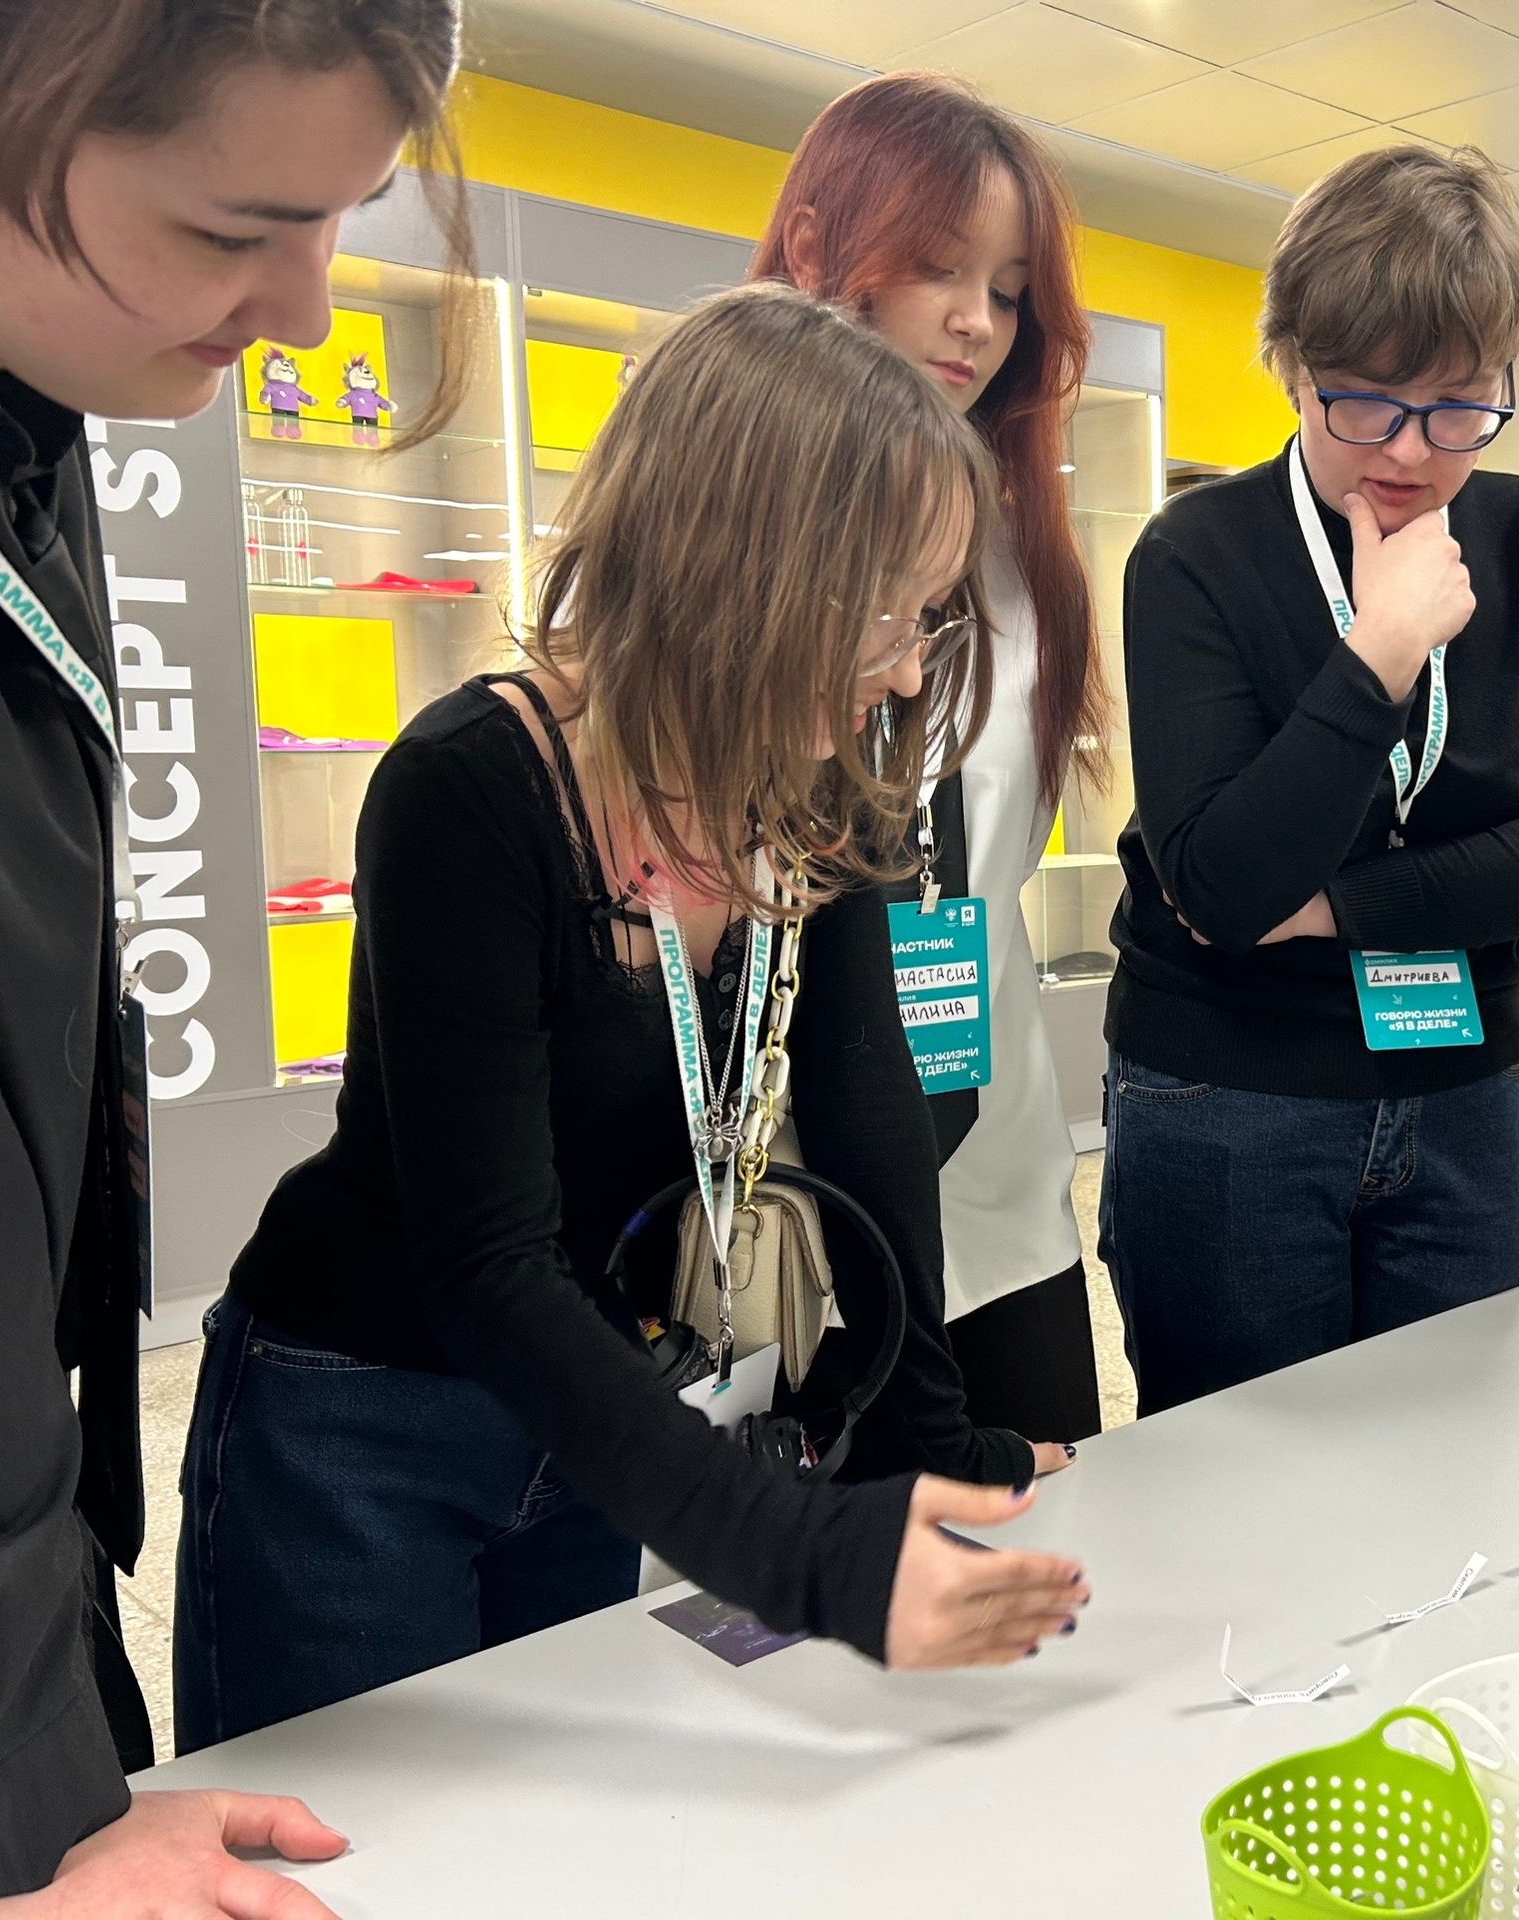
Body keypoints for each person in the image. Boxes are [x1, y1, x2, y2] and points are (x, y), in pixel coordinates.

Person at [172, 284, 1090, 1757]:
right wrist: (803, 1552)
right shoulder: (470, 789)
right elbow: (488, 1264)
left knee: (564, 1825)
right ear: (742, 572)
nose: (909, 669)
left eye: (925, 618)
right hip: (367, 1421)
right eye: (881, 615)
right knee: (355, 1839)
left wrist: (923, 1447)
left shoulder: (813, 787)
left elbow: (869, 1126)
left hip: (604, 1413)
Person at [0, 0, 471, 1909]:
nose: (307, 313)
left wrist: (41, 1773)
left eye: (338, 223)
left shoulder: (22, 416)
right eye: (236, 230)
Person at [1103, 146, 1519, 1415]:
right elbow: (1224, 888)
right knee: (1241, 1467)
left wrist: (1337, 908)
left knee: (1447, 1456)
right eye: (1365, 403)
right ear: (1293, 364)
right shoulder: (1194, 554)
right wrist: (1380, 652)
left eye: (1458, 407)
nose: (1408, 451)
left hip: (1458, 1086)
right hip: (1229, 1086)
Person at [753, 73, 1106, 1444]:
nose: (977, 322)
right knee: (815, 1553)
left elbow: (999, 850)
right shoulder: (732, 530)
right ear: (812, 248)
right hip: (782, 1186)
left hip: (997, 1162)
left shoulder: (1020, 553)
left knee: (1052, 1521)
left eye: (1009, 292)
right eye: (940, 270)